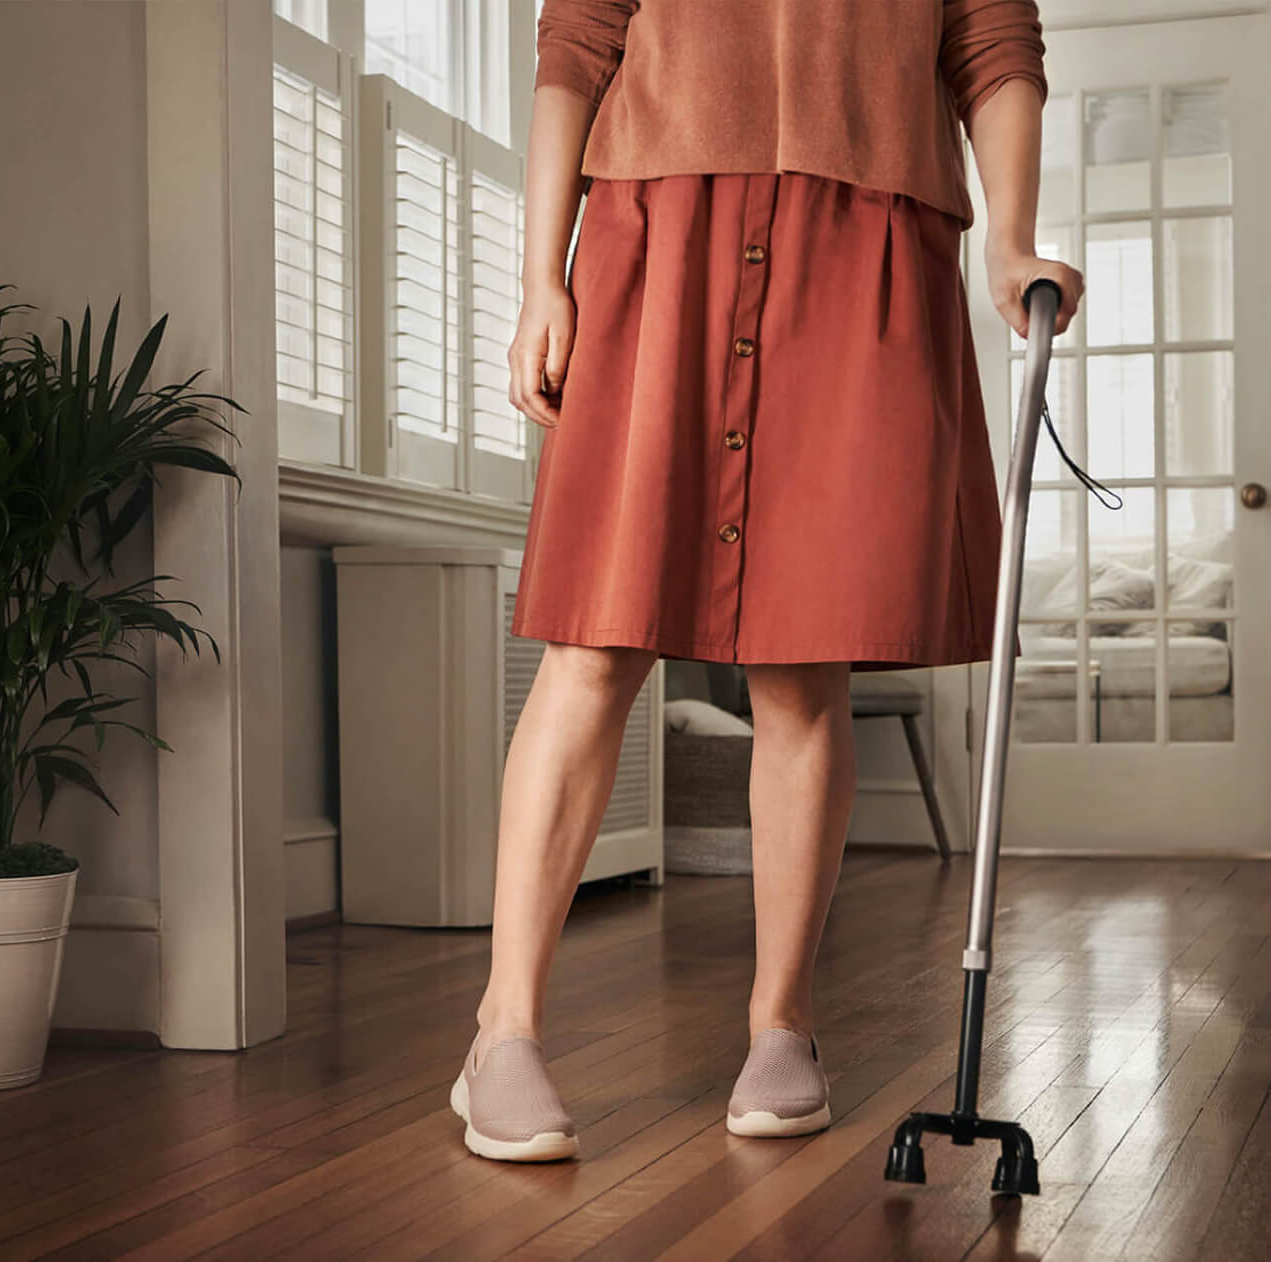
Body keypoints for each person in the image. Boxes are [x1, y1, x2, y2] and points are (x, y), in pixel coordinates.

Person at [448, 0, 1085, 1162]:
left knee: (805, 658)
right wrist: (543, 275)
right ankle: (504, 1031)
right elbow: (577, 41)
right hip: (657, 233)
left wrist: (1008, 239)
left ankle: (781, 1022)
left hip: (867, 246)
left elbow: (994, 47)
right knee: (596, 642)